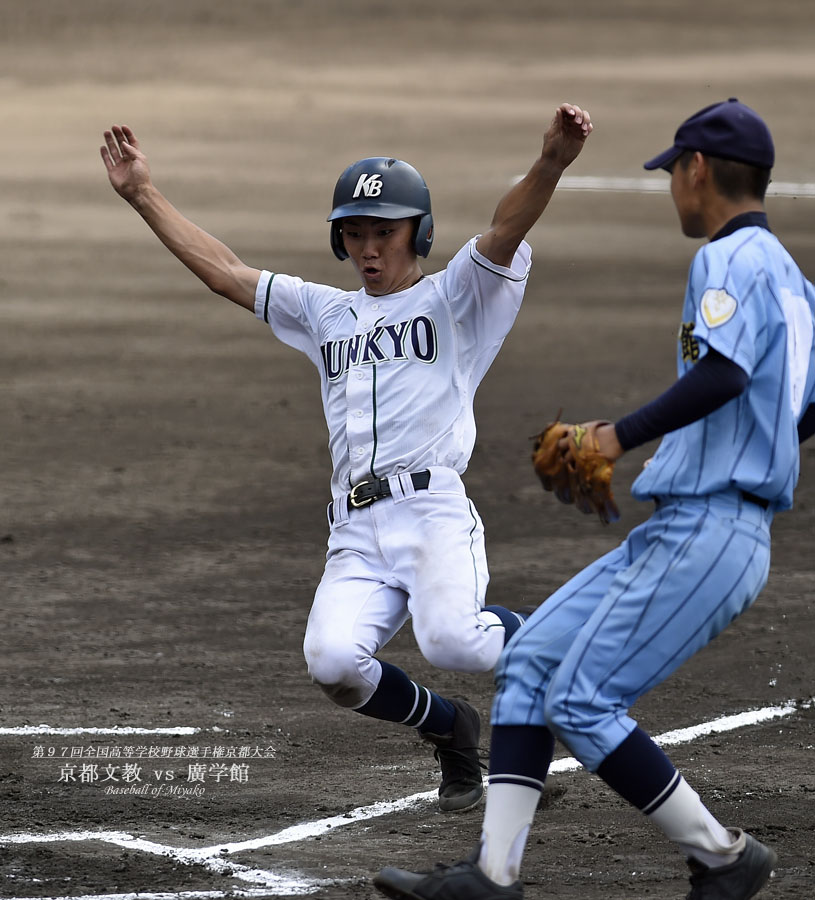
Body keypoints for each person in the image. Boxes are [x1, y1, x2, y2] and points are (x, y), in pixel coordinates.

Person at [373, 98, 815, 899]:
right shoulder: (792, 284)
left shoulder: (727, 260)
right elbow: (801, 403)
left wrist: (616, 435)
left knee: (580, 698)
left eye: (672, 173)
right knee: (534, 658)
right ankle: (491, 875)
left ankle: (723, 856)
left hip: (713, 530)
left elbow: (724, 375)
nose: (672, 189)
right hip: (694, 524)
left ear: (696, 170)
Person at [100, 102, 593, 813]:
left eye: (383, 232)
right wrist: (142, 193)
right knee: (333, 666)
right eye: (354, 233)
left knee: (454, 639)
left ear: (416, 232)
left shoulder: (458, 297)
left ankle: (551, 648)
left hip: (431, 515)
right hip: (354, 534)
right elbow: (227, 273)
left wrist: (551, 161)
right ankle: (452, 728)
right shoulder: (324, 312)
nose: (368, 247)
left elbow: (506, 227)